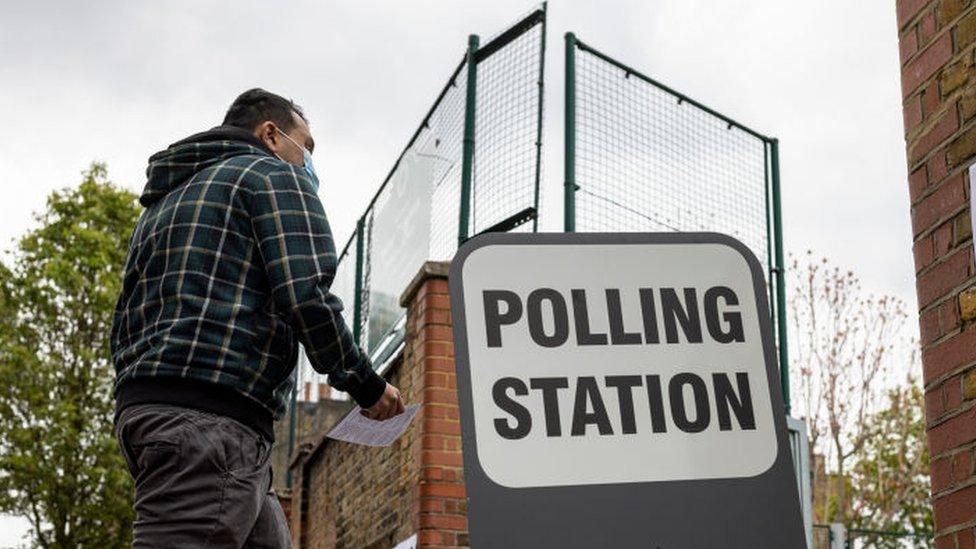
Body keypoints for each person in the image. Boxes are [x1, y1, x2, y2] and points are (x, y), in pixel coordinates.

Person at [110, 88, 404, 547]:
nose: (308, 162)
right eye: (306, 146)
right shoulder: (272, 176)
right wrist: (366, 385)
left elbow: (126, 312)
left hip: (151, 412)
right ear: (271, 133)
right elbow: (306, 296)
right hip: (211, 425)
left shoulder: (163, 204)